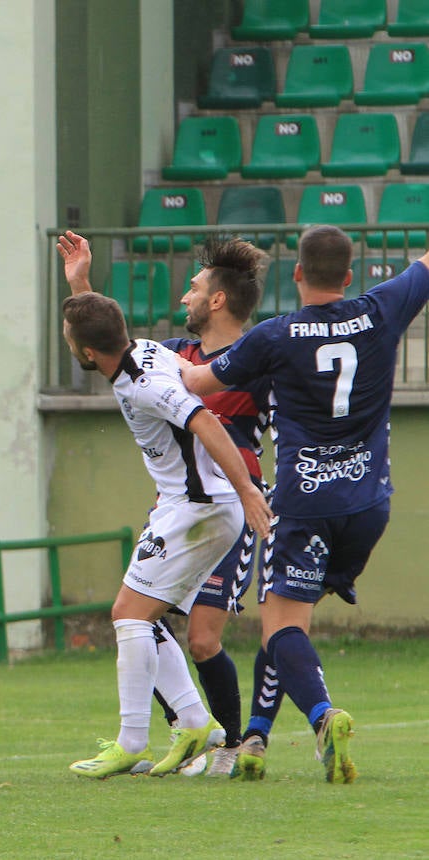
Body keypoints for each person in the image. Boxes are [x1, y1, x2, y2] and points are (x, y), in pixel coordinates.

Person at [181, 225, 429, 783]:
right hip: (369, 504)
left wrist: (146, 361)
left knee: (282, 627)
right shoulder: (382, 307)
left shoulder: (274, 336)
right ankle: (256, 738)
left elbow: (198, 380)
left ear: (297, 273)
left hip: (303, 503)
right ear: (348, 275)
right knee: (287, 622)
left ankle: (322, 716)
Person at [59, 230, 279, 779]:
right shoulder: (157, 352)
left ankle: (142, 738)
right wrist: (80, 285)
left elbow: (203, 421)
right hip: (193, 508)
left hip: (204, 507)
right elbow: (103, 328)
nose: (184, 295)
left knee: (138, 619)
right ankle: (194, 723)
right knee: (145, 621)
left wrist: (253, 491)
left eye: (195, 287)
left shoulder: (152, 383)